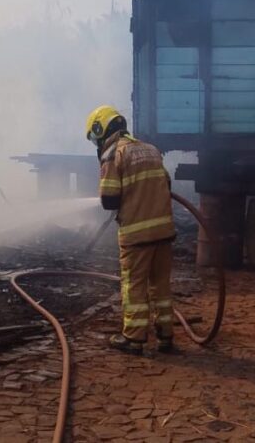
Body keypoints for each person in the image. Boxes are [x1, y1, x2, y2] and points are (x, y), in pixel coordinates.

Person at [85, 105, 176, 355]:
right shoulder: (151, 149)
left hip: (136, 235)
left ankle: (134, 338)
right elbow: (166, 183)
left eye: (96, 137)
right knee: (161, 286)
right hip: (164, 232)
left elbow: (110, 200)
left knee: (134, 286)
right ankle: (166, 337)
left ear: (100, 129)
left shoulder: (114, 154)